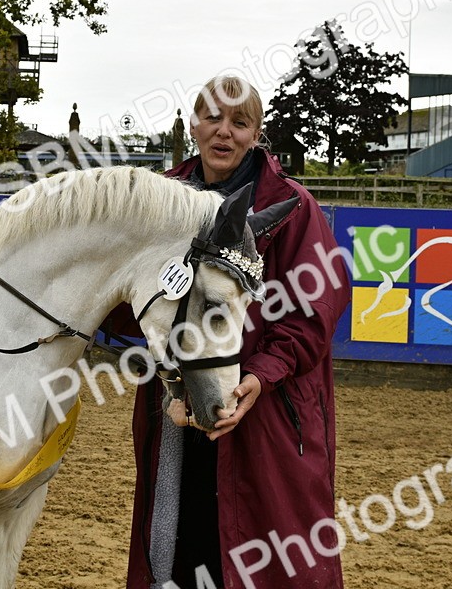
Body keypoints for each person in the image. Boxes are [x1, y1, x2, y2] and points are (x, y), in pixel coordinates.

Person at [113, 75, 350, 588]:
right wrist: (171, 384)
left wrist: (260, 376)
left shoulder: (293, 207)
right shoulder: (161, 200)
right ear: (193, 125)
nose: (224, 131)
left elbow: (314, 311)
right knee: (179, 547)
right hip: (176, 411)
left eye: (239, 122)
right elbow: (130, 299)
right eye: (213, 118)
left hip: (265, 414)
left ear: (256, 134)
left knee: (265, 559)